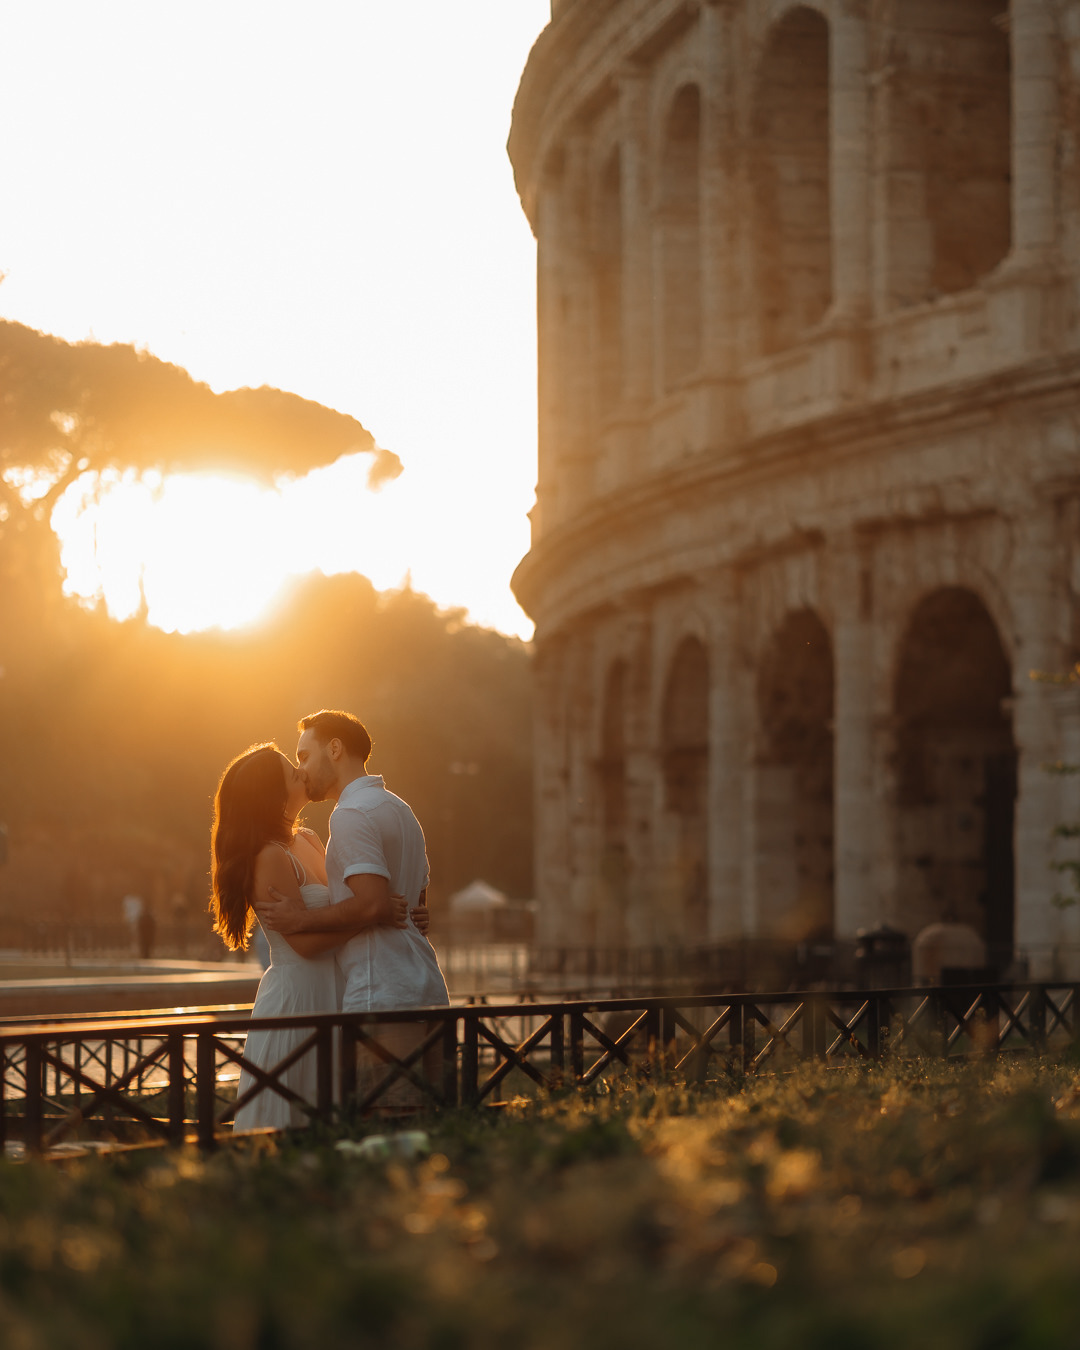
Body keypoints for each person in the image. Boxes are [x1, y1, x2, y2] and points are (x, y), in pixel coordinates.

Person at [209, 742, 416, 1131]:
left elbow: (348, 903)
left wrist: (393, 906)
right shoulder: (269, 856)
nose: (302, 772)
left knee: (337, 1113)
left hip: (336, 988)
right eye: (293, 772)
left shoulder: (307, 839)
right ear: (273, 794)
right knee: (296, 1113)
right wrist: (375, 914)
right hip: (298, 998)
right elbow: (304, 945)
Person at [257, 710, 450, 1111]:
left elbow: (374, 903)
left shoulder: (349, 815)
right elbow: (418, 896)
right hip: (429, 989)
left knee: (390, 1123)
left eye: (305, 756)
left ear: (335, 749)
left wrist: (301, 918)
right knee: (436, 1123)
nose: (302, 769)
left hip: (383, 995)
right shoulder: (399, 808)